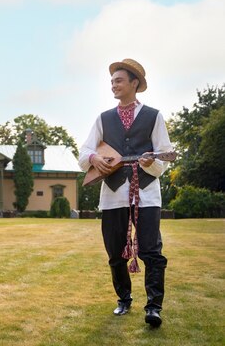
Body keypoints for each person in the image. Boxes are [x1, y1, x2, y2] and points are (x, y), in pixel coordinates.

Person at [79, 59, 172, 327]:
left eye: (118, 80)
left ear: (134, 83)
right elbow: (84, 153)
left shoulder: (154, 116)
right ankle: (124, 299)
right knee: (114, 252)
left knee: (152, 251)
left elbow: (163, 158)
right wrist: (95, 158)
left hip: (147, 194)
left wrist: (150, 163)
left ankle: (154, 307)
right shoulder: (103, 118)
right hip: (112, 195)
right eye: (111, 82)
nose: (113, 85)